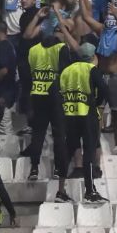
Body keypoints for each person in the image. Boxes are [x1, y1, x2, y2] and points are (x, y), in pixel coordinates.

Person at [58, 42, 108, 203]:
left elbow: (58, 91)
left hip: (69, 115)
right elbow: (104, 89)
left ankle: (60, 191)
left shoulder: (66, 70)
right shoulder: (91, 69)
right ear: (93, 56)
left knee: (67, 151)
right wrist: (96, 101)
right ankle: (90, 191)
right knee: (89, 152)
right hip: (87, 115)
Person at [26, 34, 70, 191]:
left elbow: (31, 72)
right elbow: (66, 73)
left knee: (38, 134)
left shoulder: (33, 50)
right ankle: (58, 169)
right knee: (59, 134)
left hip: (38, 95)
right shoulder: (61, 48)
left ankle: (34, 168)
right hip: (56, 97)